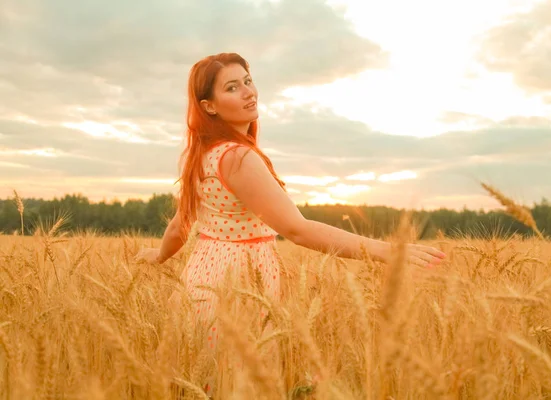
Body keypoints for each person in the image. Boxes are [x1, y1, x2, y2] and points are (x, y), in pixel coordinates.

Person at [133, 52, 446, 395]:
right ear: (209, 106)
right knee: (240, 384)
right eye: (232, 88)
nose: (248, 92)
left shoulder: (202, 154)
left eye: (248, 82)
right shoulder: (238, 157)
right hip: (238, 286)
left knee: (212, 381)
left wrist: (158, 256)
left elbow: (180, 226)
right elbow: (297, 229)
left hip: (202, 280)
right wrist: (386, 250)